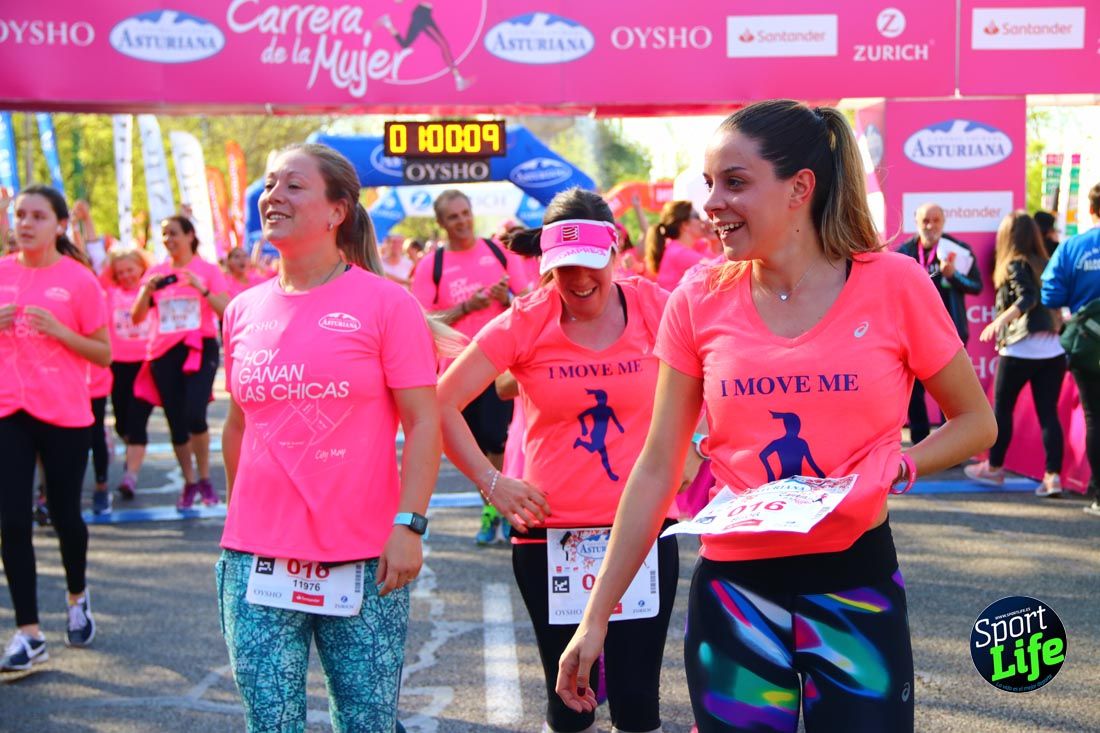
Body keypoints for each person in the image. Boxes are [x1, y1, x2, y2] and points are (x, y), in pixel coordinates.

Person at [555, 100, 997, 733]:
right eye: (708, 183)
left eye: (735, 182)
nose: (712, 202)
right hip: (735, 596)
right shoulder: (697, 300)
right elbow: (656, 467)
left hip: (855, 585)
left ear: (800, 188)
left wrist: (898, 464)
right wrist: (595, 617)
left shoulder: (895, 284)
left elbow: (977, 423)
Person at [439, 188, 680, 733]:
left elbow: (717, 371)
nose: (577, 281)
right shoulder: (526, 320)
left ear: (615, 250)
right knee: (572, 702)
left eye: (590, 263)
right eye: (563, 267)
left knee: (639, 703)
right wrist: (491, 481)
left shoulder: (655, 306)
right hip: (552, 537)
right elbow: (438, 404)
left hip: (643, 528)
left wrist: (694, 443)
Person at [218, 142, 440, 731]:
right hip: (257, 559)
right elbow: (238, 424)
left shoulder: (387, 304)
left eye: (293, 185)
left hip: (366, 558)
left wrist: (409, 525)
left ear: (336, 210)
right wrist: (245, 522)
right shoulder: (241, 310)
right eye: (268, 184)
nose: (273, 197)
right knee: (272, 723)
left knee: (366, 722)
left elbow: (424, 422)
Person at [0, 185, 110, 671]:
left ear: (59, 225)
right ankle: (28, 632)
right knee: (11, 521)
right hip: (8, 411)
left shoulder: (79, 279)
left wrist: (62, 333)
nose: (25, 223)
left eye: (37, 215)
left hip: (64, 411)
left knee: (67, 517)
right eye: (18, 214)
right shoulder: (1, 273)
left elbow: (104, 354)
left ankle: (77, 598)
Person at [410, 189, 530, 545]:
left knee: (499, 439)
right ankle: (495, 505)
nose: (462, 221)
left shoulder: (497, 252)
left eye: (465, 213)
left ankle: (498, 510)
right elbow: (421, 319)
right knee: (474, 445)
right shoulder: (432, 265)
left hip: (499, 365)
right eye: (453, 217)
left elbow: (527, 300)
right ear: (441, 223)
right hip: (457, 371)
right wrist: (467, 307)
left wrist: (505, 297)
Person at [131, 216, 229, 510]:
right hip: (163, 353)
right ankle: (189, 482)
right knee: (176, 422)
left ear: (189, 235)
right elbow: (136, 318)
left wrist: (202, 289)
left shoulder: (207, 270)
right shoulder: (156, 273)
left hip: (199, 348)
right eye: (163, 234)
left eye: (173, 233)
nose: (168, 239)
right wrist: (146, 291)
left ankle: (205, 478)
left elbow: (226, 310)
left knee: (195, 415)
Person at [965, 212, 1065, 496]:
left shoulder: (1014, 264)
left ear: (1007, 237)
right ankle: (1053, 477)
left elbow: (1028, 298)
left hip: (1021, 348)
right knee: (1048, 414)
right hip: (1053, 351)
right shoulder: (1046, 262)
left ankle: (995, 469)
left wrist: (999, 321)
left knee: (1002, 410)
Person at [897, 202, 983, 444]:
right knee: (914, 392)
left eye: (935, 220)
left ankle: (949, 446)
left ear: (944, 222)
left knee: (951, 393)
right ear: (916, 222)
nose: (930, 226)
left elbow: (977, 286)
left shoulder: (958, 250)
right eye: (925, 220)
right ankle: (919, 443)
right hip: (912, 331)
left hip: (949, 331)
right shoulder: (904, 253)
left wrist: (952, 275)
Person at [1042, 182, 1100, 517]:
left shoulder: (1073, 246)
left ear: (1091, 210)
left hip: (1088, 344)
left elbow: (1050, 293)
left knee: (1095, 417)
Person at [104, 249, 155, 501]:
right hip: (118, 366)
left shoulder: (151, 292)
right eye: (120, 271)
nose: (126, 275)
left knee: (137, 422)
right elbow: (94, 265)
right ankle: (127, 452)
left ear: (141, 268)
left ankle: (130, 477)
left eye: (130, 270)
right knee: (122, 423)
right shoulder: (110, 294)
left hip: (147, 365)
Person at [645, 200, 706, 291]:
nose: (702, 221)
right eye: (697, 216)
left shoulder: (673, 247)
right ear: (685, 225)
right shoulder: (679, 253)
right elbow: (718, 269)